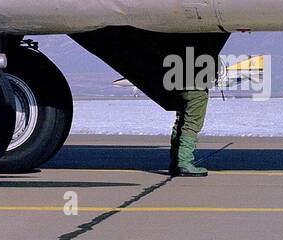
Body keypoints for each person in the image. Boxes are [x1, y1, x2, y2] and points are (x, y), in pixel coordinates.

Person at [72, 28, 227, 177]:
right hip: (196, 84)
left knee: (181, 120)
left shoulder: (184, 40)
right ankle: (185, 161)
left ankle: (177, 161)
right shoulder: (203, 43)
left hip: (182, 81)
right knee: (192, 123)